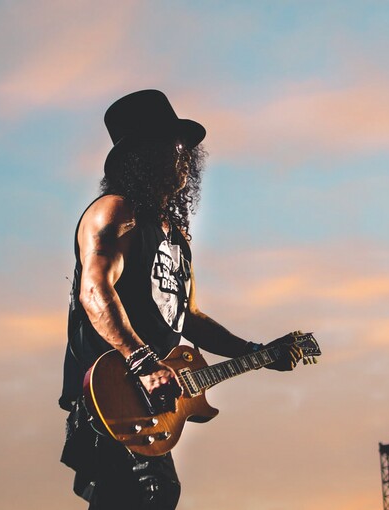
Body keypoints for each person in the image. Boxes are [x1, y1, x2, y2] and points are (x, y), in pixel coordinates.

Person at [58, 89, 302, 509]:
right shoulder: (114, 212)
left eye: (185, 148)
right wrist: (141, 362)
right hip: (115, 391)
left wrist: (257, 352)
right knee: (154, 494)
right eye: (172, 145)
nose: (183, 155)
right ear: (143, 155)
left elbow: (187, 318)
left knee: (145, 497)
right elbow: (94, 291)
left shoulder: (176, 237)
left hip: (153, 398)